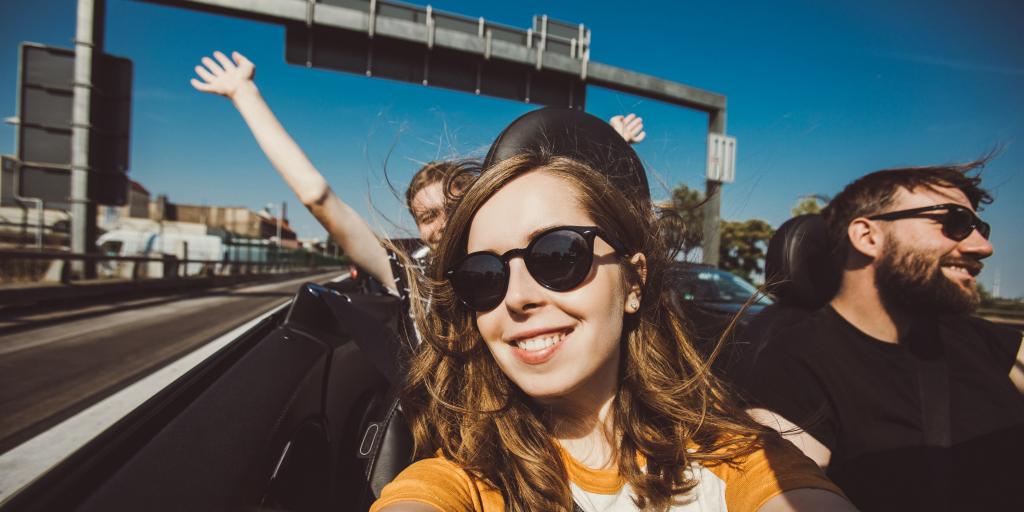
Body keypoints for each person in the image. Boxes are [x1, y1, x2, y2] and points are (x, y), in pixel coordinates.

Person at [369, 109, 854, 512]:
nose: (517, 296)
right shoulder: (459, 482)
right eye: (484, 277)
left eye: (558, 257)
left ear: (634, 281)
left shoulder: (743, 458)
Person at [191, 51, 648, 297]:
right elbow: (317, 196)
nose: (442, 222)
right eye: (426, 215)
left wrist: (607, 145)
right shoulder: (409, 275)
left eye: (454, 206)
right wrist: (244, 94)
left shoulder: (524, 261)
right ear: (414, 226)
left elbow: (569, 206)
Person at [745, 161, 1024, 511]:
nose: (984, 247)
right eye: (955, 223)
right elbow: (784, 488)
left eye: (981, 227)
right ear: (867, 236)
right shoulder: (793, 363)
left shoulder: (982, 338)